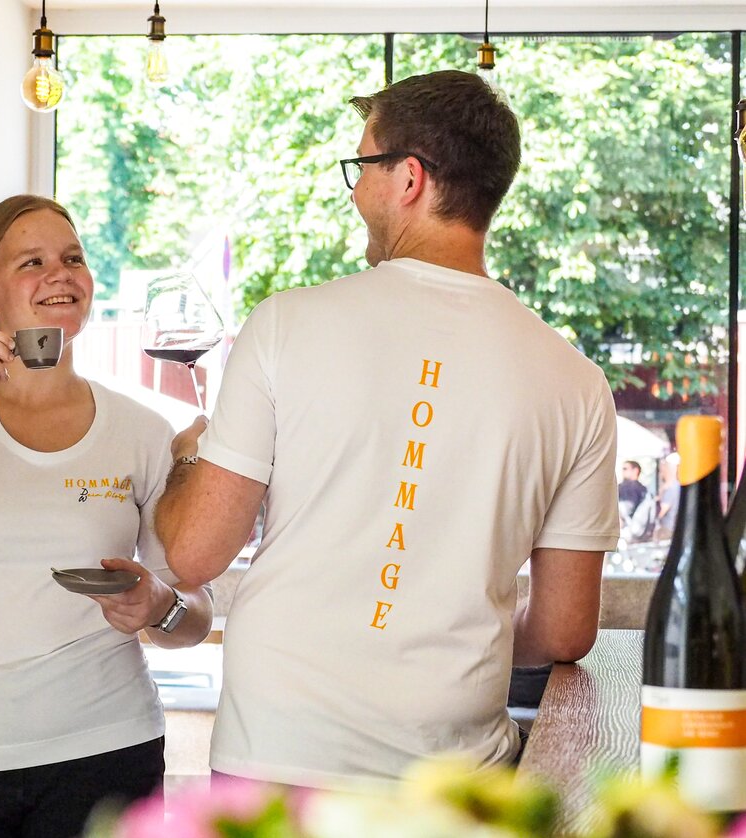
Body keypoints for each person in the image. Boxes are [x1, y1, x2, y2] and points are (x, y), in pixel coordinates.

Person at [155, 70, 619, 790]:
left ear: (408, 179)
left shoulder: (285, 324)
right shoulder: (577, 383)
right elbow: (564, 631)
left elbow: (192, 552)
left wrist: (188, 458)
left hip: (277, 753)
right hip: (450, 773)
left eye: (363, 166)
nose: (355, 191)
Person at [0, 195, 214, 837]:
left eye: (73, 258)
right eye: (32, 262)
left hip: (108, 750)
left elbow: (194, 616)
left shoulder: (141, 430)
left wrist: (159, 604)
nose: (60, 274)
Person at [618, 459, 655, 544]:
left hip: (626, 532)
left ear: (635, 470)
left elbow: (626, 508)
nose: (623, 471)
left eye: (625, 469)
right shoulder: (644, 489)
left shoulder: (627, 487)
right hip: (641, 533)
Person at [655, 453, 680, 541]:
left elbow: (661, 511)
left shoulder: (671, 488)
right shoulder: (676, 486)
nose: (661, 472)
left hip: (667, 529)